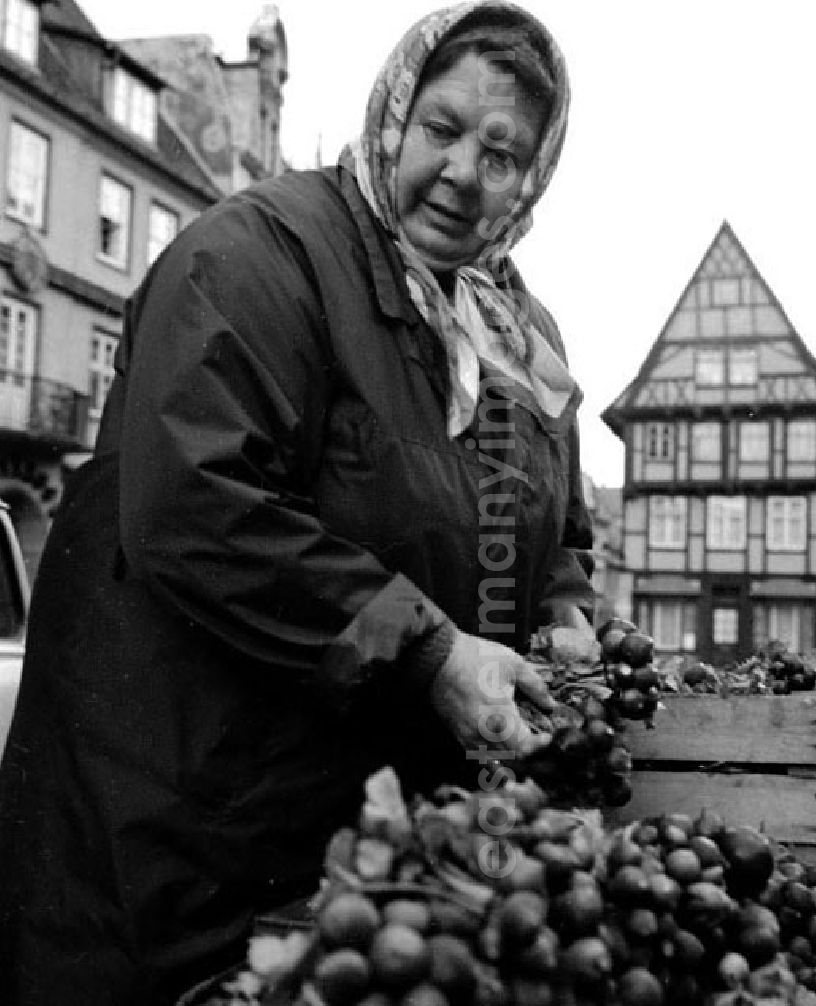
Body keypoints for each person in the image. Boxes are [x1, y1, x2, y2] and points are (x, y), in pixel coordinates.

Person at [0, 3, 594, 1004]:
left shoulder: (513, 330)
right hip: (188, 846)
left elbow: (548, 507)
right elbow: (199, 505)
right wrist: (432, 653)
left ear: (532, 178)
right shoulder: (255, 256)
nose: (459, 172)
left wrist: (562, 603)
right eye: (441, 128)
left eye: (500, 154)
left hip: (361, 855)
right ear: (393, 111)